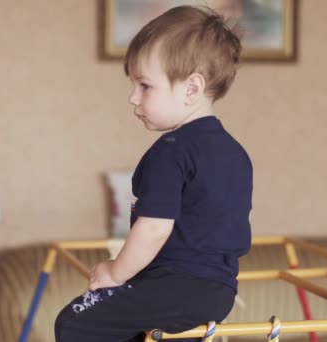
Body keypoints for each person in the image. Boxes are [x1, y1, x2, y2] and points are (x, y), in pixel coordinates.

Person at [55, 5, 252, 341]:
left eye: (145, 86)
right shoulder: (235, 152)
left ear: (191, 89)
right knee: (130, 329)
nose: (133, 98)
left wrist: (115, 272)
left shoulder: (171, 150)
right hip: (220, 292)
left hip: (176, 286)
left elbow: (154, 229)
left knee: (74, 321)